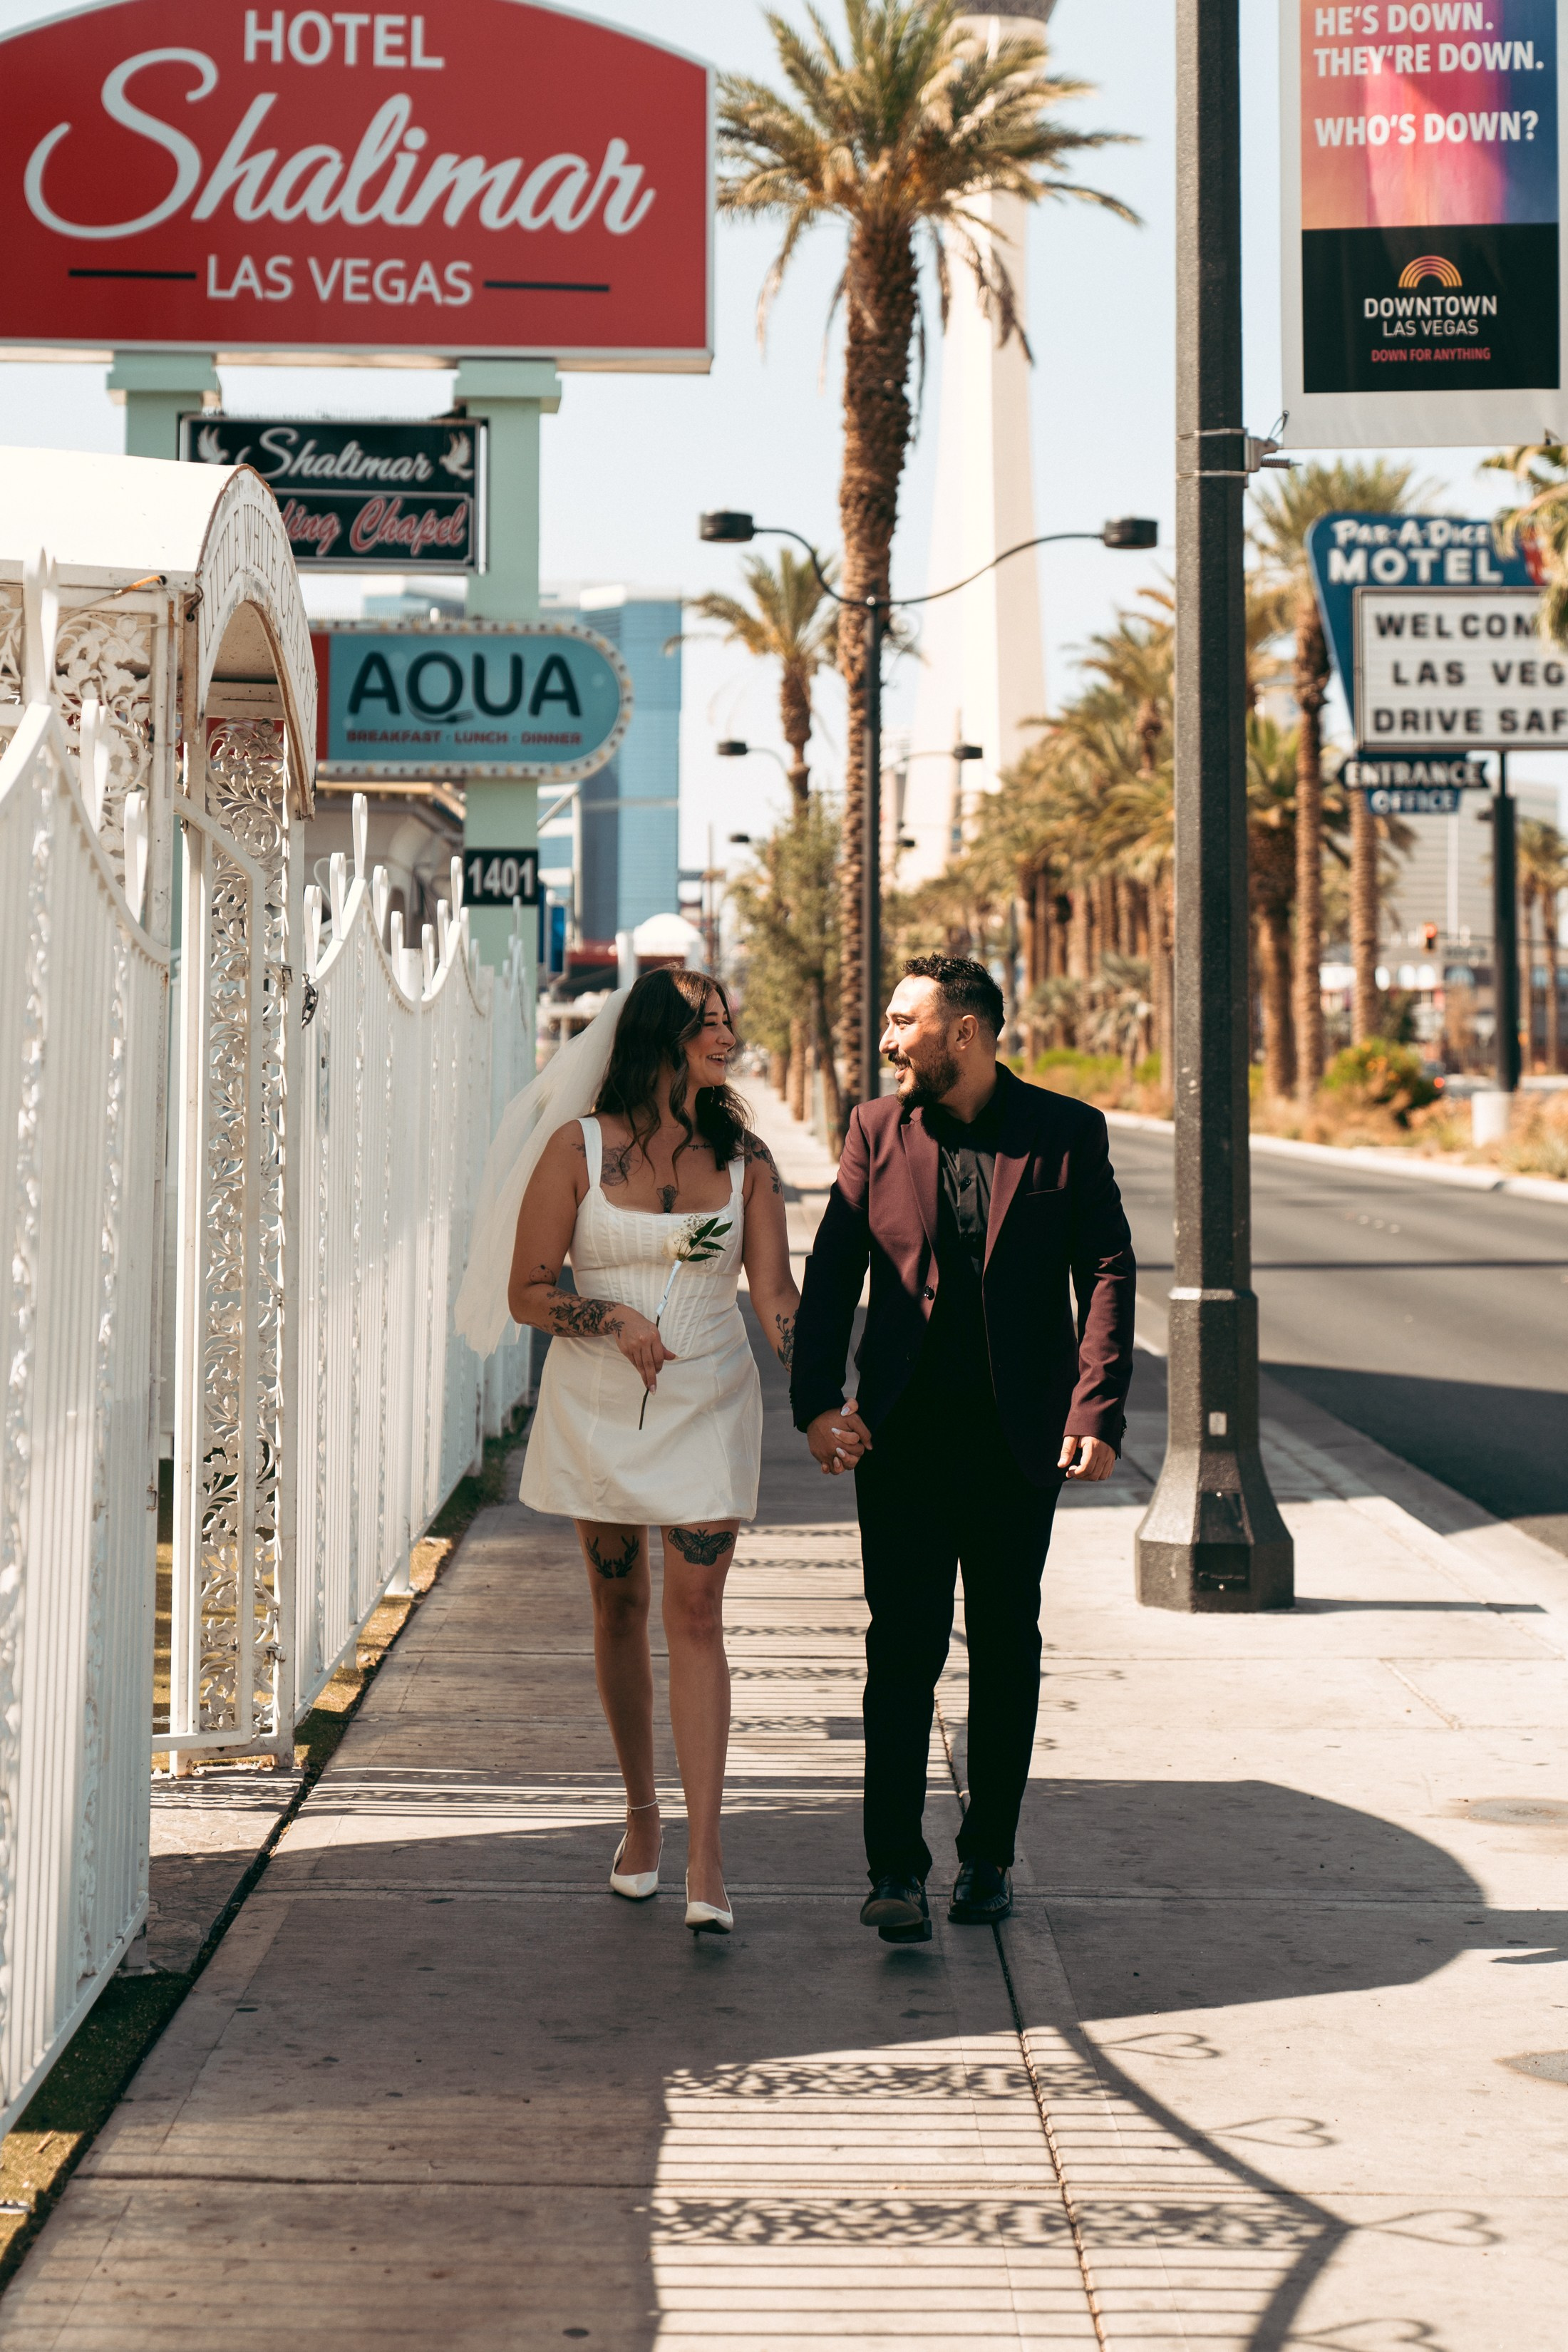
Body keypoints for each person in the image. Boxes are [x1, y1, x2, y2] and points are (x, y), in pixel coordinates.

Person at [790, 955, 1135, 1942]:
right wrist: (817, 1403)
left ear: (967, 1034)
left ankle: (989, 1858)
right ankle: (894, 1867)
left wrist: (1094, 1409)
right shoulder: (874, 1130)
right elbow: (833, 1273)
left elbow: (1106, 1268)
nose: (889, 1039)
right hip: (898, 1438)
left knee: (1005, 1648)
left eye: (906, 1022)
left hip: (1015, 1444)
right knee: (901, 1650)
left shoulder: (1065, 1132)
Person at [455, 970, 798, 1938]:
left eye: (731, 1020)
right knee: (619, 1603)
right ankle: (641, 1820)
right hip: (601, 1402)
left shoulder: (748, 1160)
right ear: (658, 1037)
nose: (727, 1037)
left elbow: (775, 1295)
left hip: (711, 1400)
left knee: (696, 1612)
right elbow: (530, 1290)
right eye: (708, 1024)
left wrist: (821, 1394)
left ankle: (707, 1853)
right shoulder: (574, 1150)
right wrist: (607, 1314)